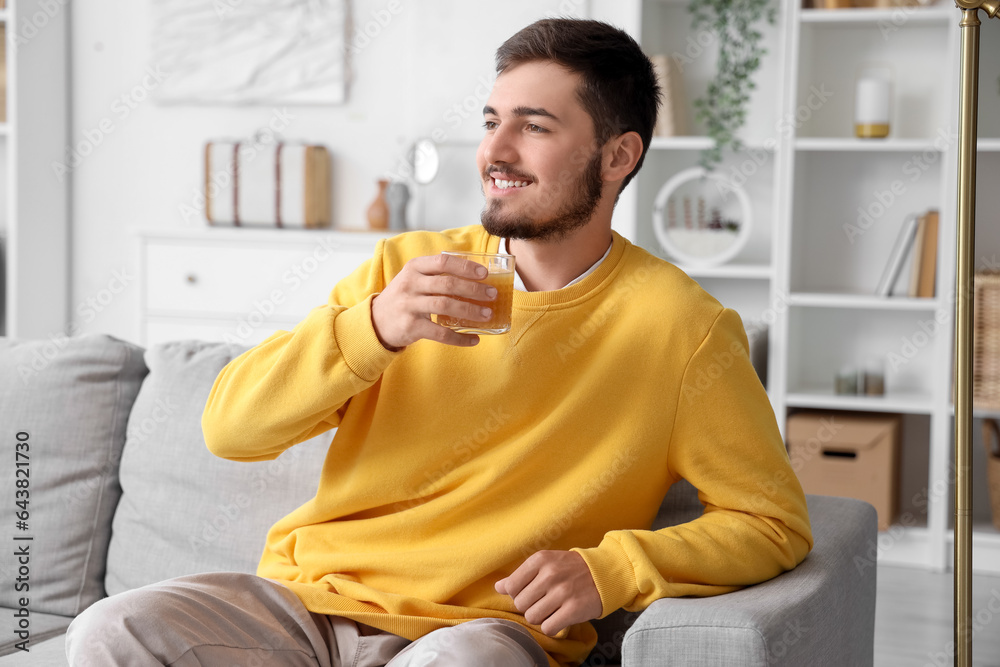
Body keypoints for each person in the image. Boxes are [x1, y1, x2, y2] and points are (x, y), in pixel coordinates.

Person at [66, 17, 812, 667]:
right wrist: (374, 328)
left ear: (618, 157)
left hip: (475, 632)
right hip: (304, 608)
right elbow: (230, 429)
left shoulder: (681, 326)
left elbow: (771, 522)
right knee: (112, 629)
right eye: (491, 121)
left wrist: (616, 568)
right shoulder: (404, 268)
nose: (497, 149)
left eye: (535, 126)